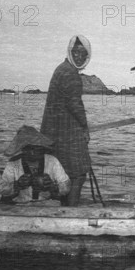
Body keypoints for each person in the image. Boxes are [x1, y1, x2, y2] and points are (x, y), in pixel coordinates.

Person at [40, 35, 92, 206]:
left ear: (87, 56)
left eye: (83, 54)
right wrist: (85, 128)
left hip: (56, 132)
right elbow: (75, 104)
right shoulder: (70, 73)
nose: (79, 56)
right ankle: (71, 212)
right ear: (70, 52)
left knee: (64, 173)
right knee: (78, 174)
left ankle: (64, 208)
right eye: (76, 52)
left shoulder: (61, 68)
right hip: (67, 133)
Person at [0, 126, 70, 204]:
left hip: (46, 204)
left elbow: (66, 188)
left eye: (35, 148)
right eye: (28, 148)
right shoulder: (13, 163)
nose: (32, 152)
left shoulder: (52, 161)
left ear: (41, 147)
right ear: (23, 149)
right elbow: (2, 190)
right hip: (19, 205)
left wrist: (51, 186)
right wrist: (18, 184)